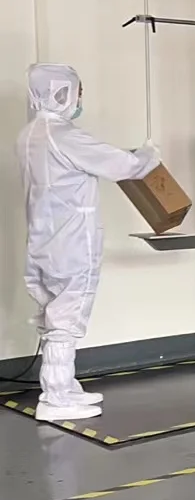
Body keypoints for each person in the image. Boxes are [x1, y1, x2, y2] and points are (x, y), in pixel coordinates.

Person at [17, 63, 159, 422]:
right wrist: (147, 154)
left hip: (44, 239)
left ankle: (64, 386)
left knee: (53, 313)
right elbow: (123, 166)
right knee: (67, 317)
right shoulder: (64, 135)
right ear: (61, 93)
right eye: (77, 92)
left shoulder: (30, 134)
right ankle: (56, 397)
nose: (80, 99)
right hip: (70, 241)